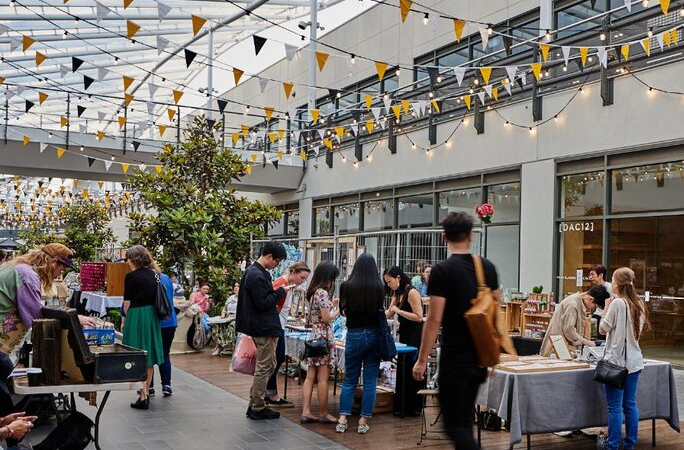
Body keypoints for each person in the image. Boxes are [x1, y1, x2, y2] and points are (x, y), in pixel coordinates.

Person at [412, 212, 499, 450]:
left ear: (444, 237)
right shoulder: (487, 268)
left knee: (456, 425)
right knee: (464, 421)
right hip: (479, 358)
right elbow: (495, 311)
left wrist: (421, 360)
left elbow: (434, 319)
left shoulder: (442, 271)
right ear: (470, 236)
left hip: (454, 360)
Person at [0, 244, 97, 355]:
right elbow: (36, 316)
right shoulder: (28, 276)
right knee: (5, 367)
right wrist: (73, 318)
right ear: (53, 262)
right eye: (61, 269)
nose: (60, 274)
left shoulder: (19, 267)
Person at [236, 241, 293, 420]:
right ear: (269, 257)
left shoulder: (253, 272)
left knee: (269, 363)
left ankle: (255, 402)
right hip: (264, 326)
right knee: (265, 366)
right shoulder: (257, 275)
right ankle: (258, 406)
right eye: (277, 261)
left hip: (261, 325)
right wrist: (281, 292)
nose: (277, 265)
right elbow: (263, 302)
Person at [599, 267, 648, 450]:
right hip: (635, 362)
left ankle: (612, 446)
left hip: (616, 363)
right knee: (630, 405)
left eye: (612, 279)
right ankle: (630, 445)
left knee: (614, 407)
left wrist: (606, 307)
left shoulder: (617, 304)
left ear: (618, 283)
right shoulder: (639, 304)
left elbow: (603, 329)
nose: (611, 283)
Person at [336, 253, 384, 435]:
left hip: (354, 334)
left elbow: (343, 311)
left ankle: (343, 419)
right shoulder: (379, 287)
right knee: (370, 381)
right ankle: (363, 421)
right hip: (374, 334)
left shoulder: (346, 286)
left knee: (350, 379)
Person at [122, 245, 165, 410]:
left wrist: (125, 320)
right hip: (151, 315)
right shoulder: (155, 274)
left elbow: (127, 303)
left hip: (136, 316)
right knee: (149, 356)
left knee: (135, 353)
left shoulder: (131, 277)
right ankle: (145, 392)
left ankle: (142, 393)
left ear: (133, 259)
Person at [266, 262, 311, 407]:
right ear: (293, 272)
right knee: (276, 358)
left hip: (280, 325)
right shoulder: (282, 283)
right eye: (301, 277)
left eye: (304, 279)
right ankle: (270, 393)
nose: (302, 281)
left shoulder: (289, 285)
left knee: (277, 358)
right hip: (275, 326)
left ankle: (270, 392)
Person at [300, 262, 340, 424]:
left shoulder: (313, 292)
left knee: (310, 377)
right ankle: (324, 413)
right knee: (323, 378)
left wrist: (332, 305)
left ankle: (306, 411)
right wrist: (337, 310)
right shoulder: (323, 293)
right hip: (323, 335)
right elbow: (327, 318)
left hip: (314, 335)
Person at [383, 266, 424, 416]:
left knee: (411, 367)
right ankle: (401, 405)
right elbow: (389, 311)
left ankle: (413, 406)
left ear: (398, 278)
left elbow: (419, 316)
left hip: (415, 334)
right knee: (403, 367)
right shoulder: (397, 293)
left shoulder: (412, 292)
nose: (389, 284)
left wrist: (400, 311)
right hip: (405, 334)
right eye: (386, 282)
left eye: (390, 281)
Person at [539, 285, 610, 358]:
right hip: (558, 349)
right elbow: (569, 330)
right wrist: (586, 342)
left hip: (562, 348)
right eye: (595, 306)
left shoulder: (577, 302)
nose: (593, 308)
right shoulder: (573, 304)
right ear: (590, 299)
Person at [147, 273, 177, 397]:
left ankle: (149, 387)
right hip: (169, 320)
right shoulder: (166, 278)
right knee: (164, 353)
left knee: (149, 353)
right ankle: (166, 385)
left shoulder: (145, 277)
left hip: (154, 321)